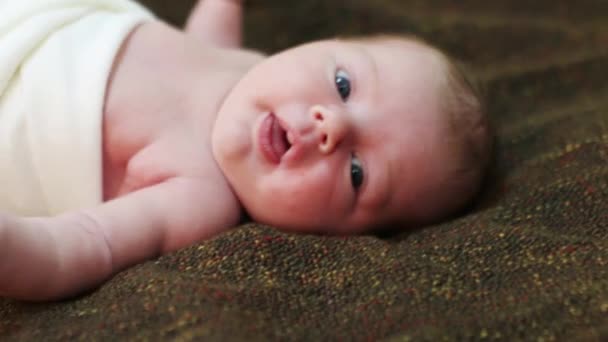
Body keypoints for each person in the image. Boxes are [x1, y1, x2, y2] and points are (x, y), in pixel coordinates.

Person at [0, 0, 492, 301]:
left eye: (358, 173)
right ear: (320, 44)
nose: (331, 127)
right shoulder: (244, 65)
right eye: (343, 83)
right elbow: (211, 27)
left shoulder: (200, 195)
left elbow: (80, 245)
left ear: (340, 234)